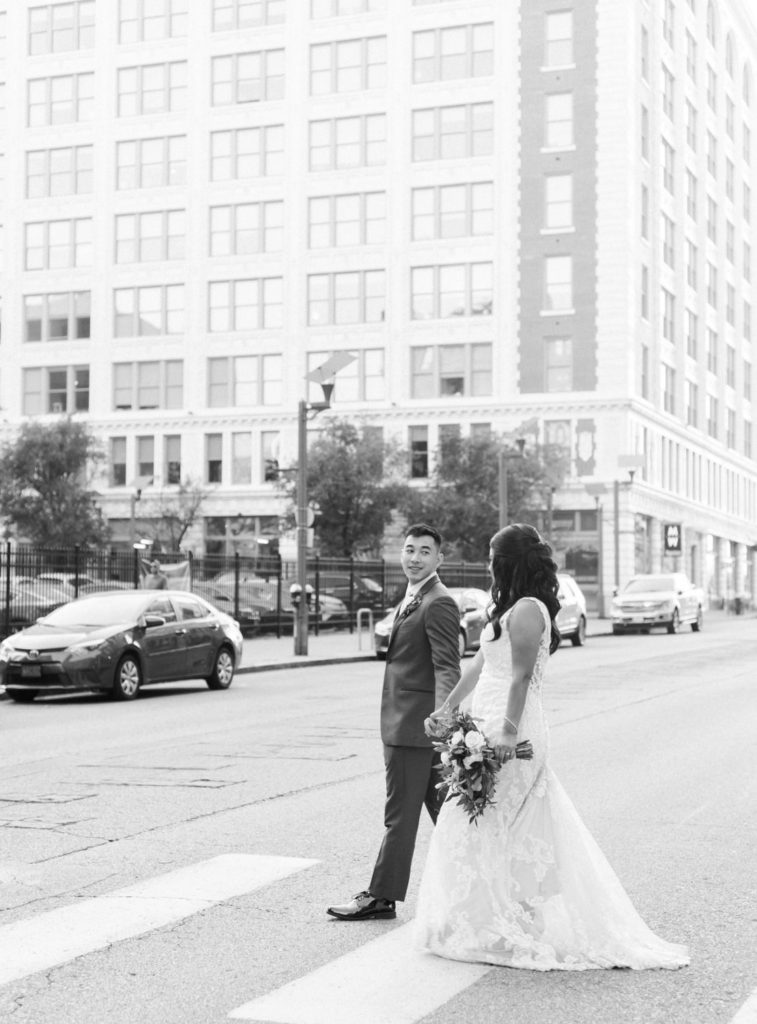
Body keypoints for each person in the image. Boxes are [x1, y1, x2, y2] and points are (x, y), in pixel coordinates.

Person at [415, 523, 689, 971]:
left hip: (512, 729)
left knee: (489, 818)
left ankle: (503, 922)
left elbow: (520, 677)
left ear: (507, 562)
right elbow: (479, 667)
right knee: (486, 820)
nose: (487, 562)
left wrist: (504, 731)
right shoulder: (504, 608)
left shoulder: (526, 610)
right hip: (482, 723)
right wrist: (447, 707)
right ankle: (488, 919)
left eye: (491, 555)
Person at [328, 524, 461, 921]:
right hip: (410, 726)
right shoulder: (414, 597)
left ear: (440, 559)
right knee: (451, 815)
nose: (414, 557)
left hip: (415, 730)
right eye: (409, 549)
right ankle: (486, 884)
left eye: (424, 551)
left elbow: (447, 668)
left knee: (401, 817)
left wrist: (442, 722)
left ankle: (381, 896)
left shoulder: (437, 601)